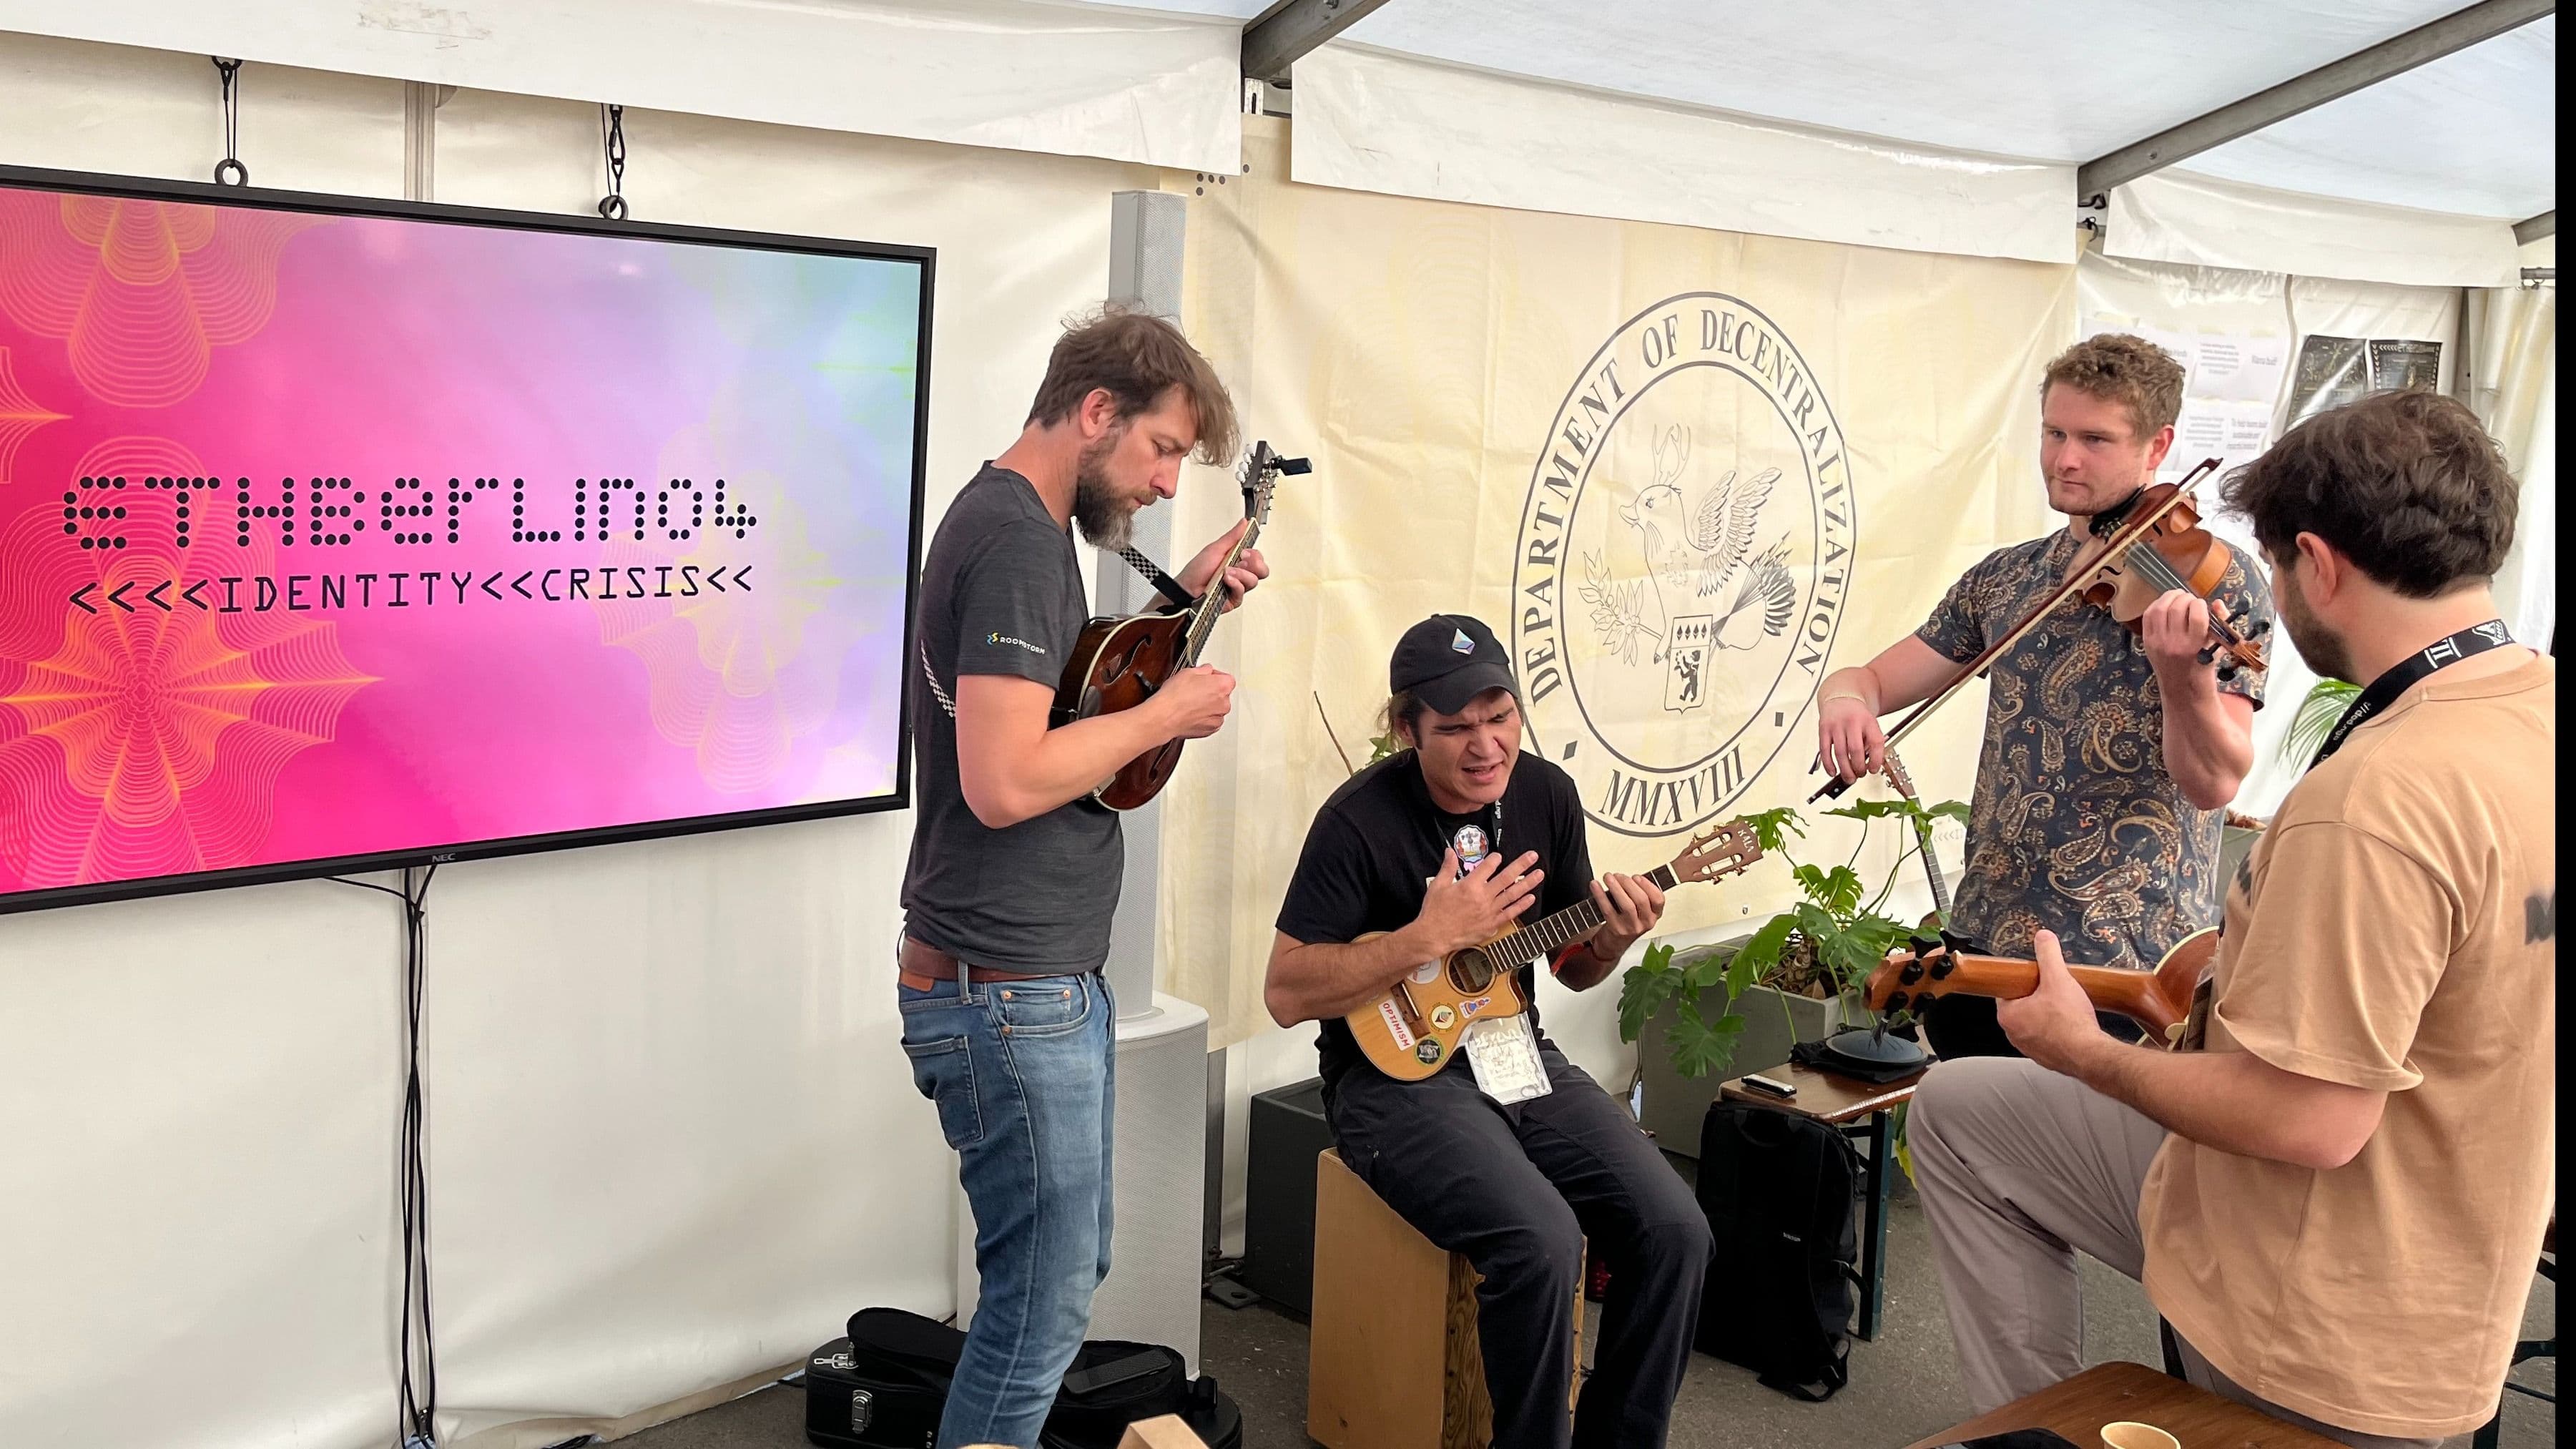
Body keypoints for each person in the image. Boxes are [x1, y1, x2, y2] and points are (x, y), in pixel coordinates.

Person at [1910, 389, 2555, 1447]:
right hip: (2462, 1256)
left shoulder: (2376, 799)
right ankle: (2030, 1420)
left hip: (2319, 1314)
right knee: (1967, 1106)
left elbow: (2308, 1119)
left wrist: (2086, 1051)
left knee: (2004, 1095)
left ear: (2319, 561)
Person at [897, 310, 1267, 1449]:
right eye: (1160, 449)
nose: (1164, 483)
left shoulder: (1029, 527)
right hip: (1006, 993)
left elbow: (1061, 713)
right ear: (1097, 410)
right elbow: (1006, 778)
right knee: (1042, 1300)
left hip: (1032, 981)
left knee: (1059, 1272)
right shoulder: (1013, 539)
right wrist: (1167, 710)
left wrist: (1176, 608)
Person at [1264, 614, 1714, 1449]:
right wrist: (1421, 938)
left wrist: (1614, 934)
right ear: (1406, 729)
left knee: (1676, 1230)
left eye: (1499, 717)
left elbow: (1574, 966)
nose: (1485, 747)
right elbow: (1285, 992)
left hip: (1512, 1052)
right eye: (1455, 728)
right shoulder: (1358, 819)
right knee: (1540, 1243)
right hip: (1388, 1082)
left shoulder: (1545, 793)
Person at [1815, 333, 2274, 1057]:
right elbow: (1869, 679)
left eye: (2095, 439)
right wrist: (1844, 700)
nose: (2064, 458)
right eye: (2053, 432)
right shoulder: (2008, 578)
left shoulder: (2216, 582)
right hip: (1985, 950)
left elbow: (2214, 780)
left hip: (2125, 968)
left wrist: (2180, 676)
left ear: (2157, 448)